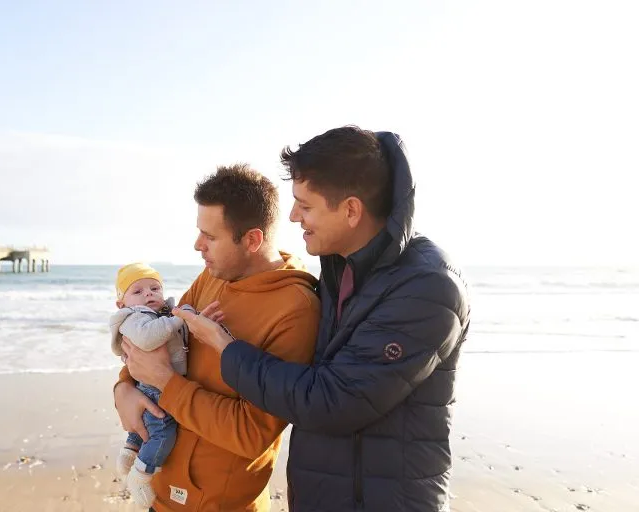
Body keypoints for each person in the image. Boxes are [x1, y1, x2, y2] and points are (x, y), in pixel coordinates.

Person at [173, 127, 471, 511]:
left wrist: (224, 346)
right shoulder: (339, 268)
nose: (294, 216)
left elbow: (332, 402)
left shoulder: (428, 288)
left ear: (351, 210)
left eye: (305, 206)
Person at [114, 164, 321, 511]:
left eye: (210, 237)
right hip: (161, 493)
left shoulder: (296, 310)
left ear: (252, 240)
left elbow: (250, 433)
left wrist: (165, 382)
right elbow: (155, 338)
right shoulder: (212, 276)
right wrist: (123, 387)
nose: (198, 246)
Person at [108, 262, 217, 507]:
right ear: (121, 303)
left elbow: (183, 339)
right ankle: (142, 474)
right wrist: (180, 319)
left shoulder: (163, 314)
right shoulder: (132, 318)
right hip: (153, 389)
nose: (149, 294)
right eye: (138, 291)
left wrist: (196, 321)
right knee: (162, 432)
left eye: (154, 288)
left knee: (147, 424)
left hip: (158, 385)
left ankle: (130, 450)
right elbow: (148, 339)